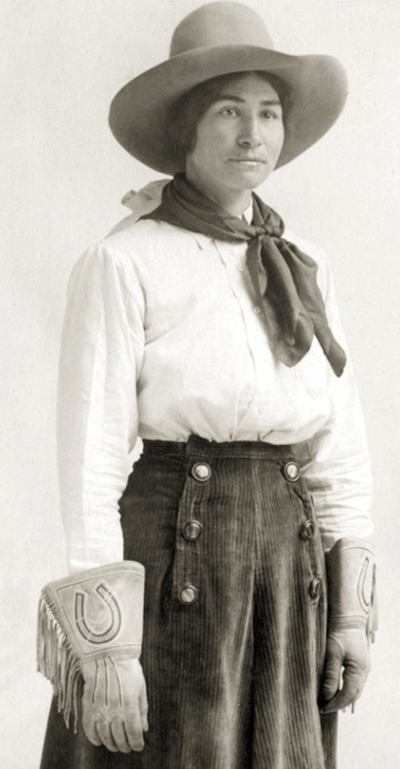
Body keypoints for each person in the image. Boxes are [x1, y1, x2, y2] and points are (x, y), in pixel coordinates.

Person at [37, 3, 376, 768]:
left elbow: (338, 446)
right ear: (186, 127)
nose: (252, 134)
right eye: (228, 111)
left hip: (289, 568)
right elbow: (92, 456)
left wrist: (351, 615)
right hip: (174, 555)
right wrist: (107, 647)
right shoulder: (126, 260)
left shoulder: (305, 264)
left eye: (268, 112)